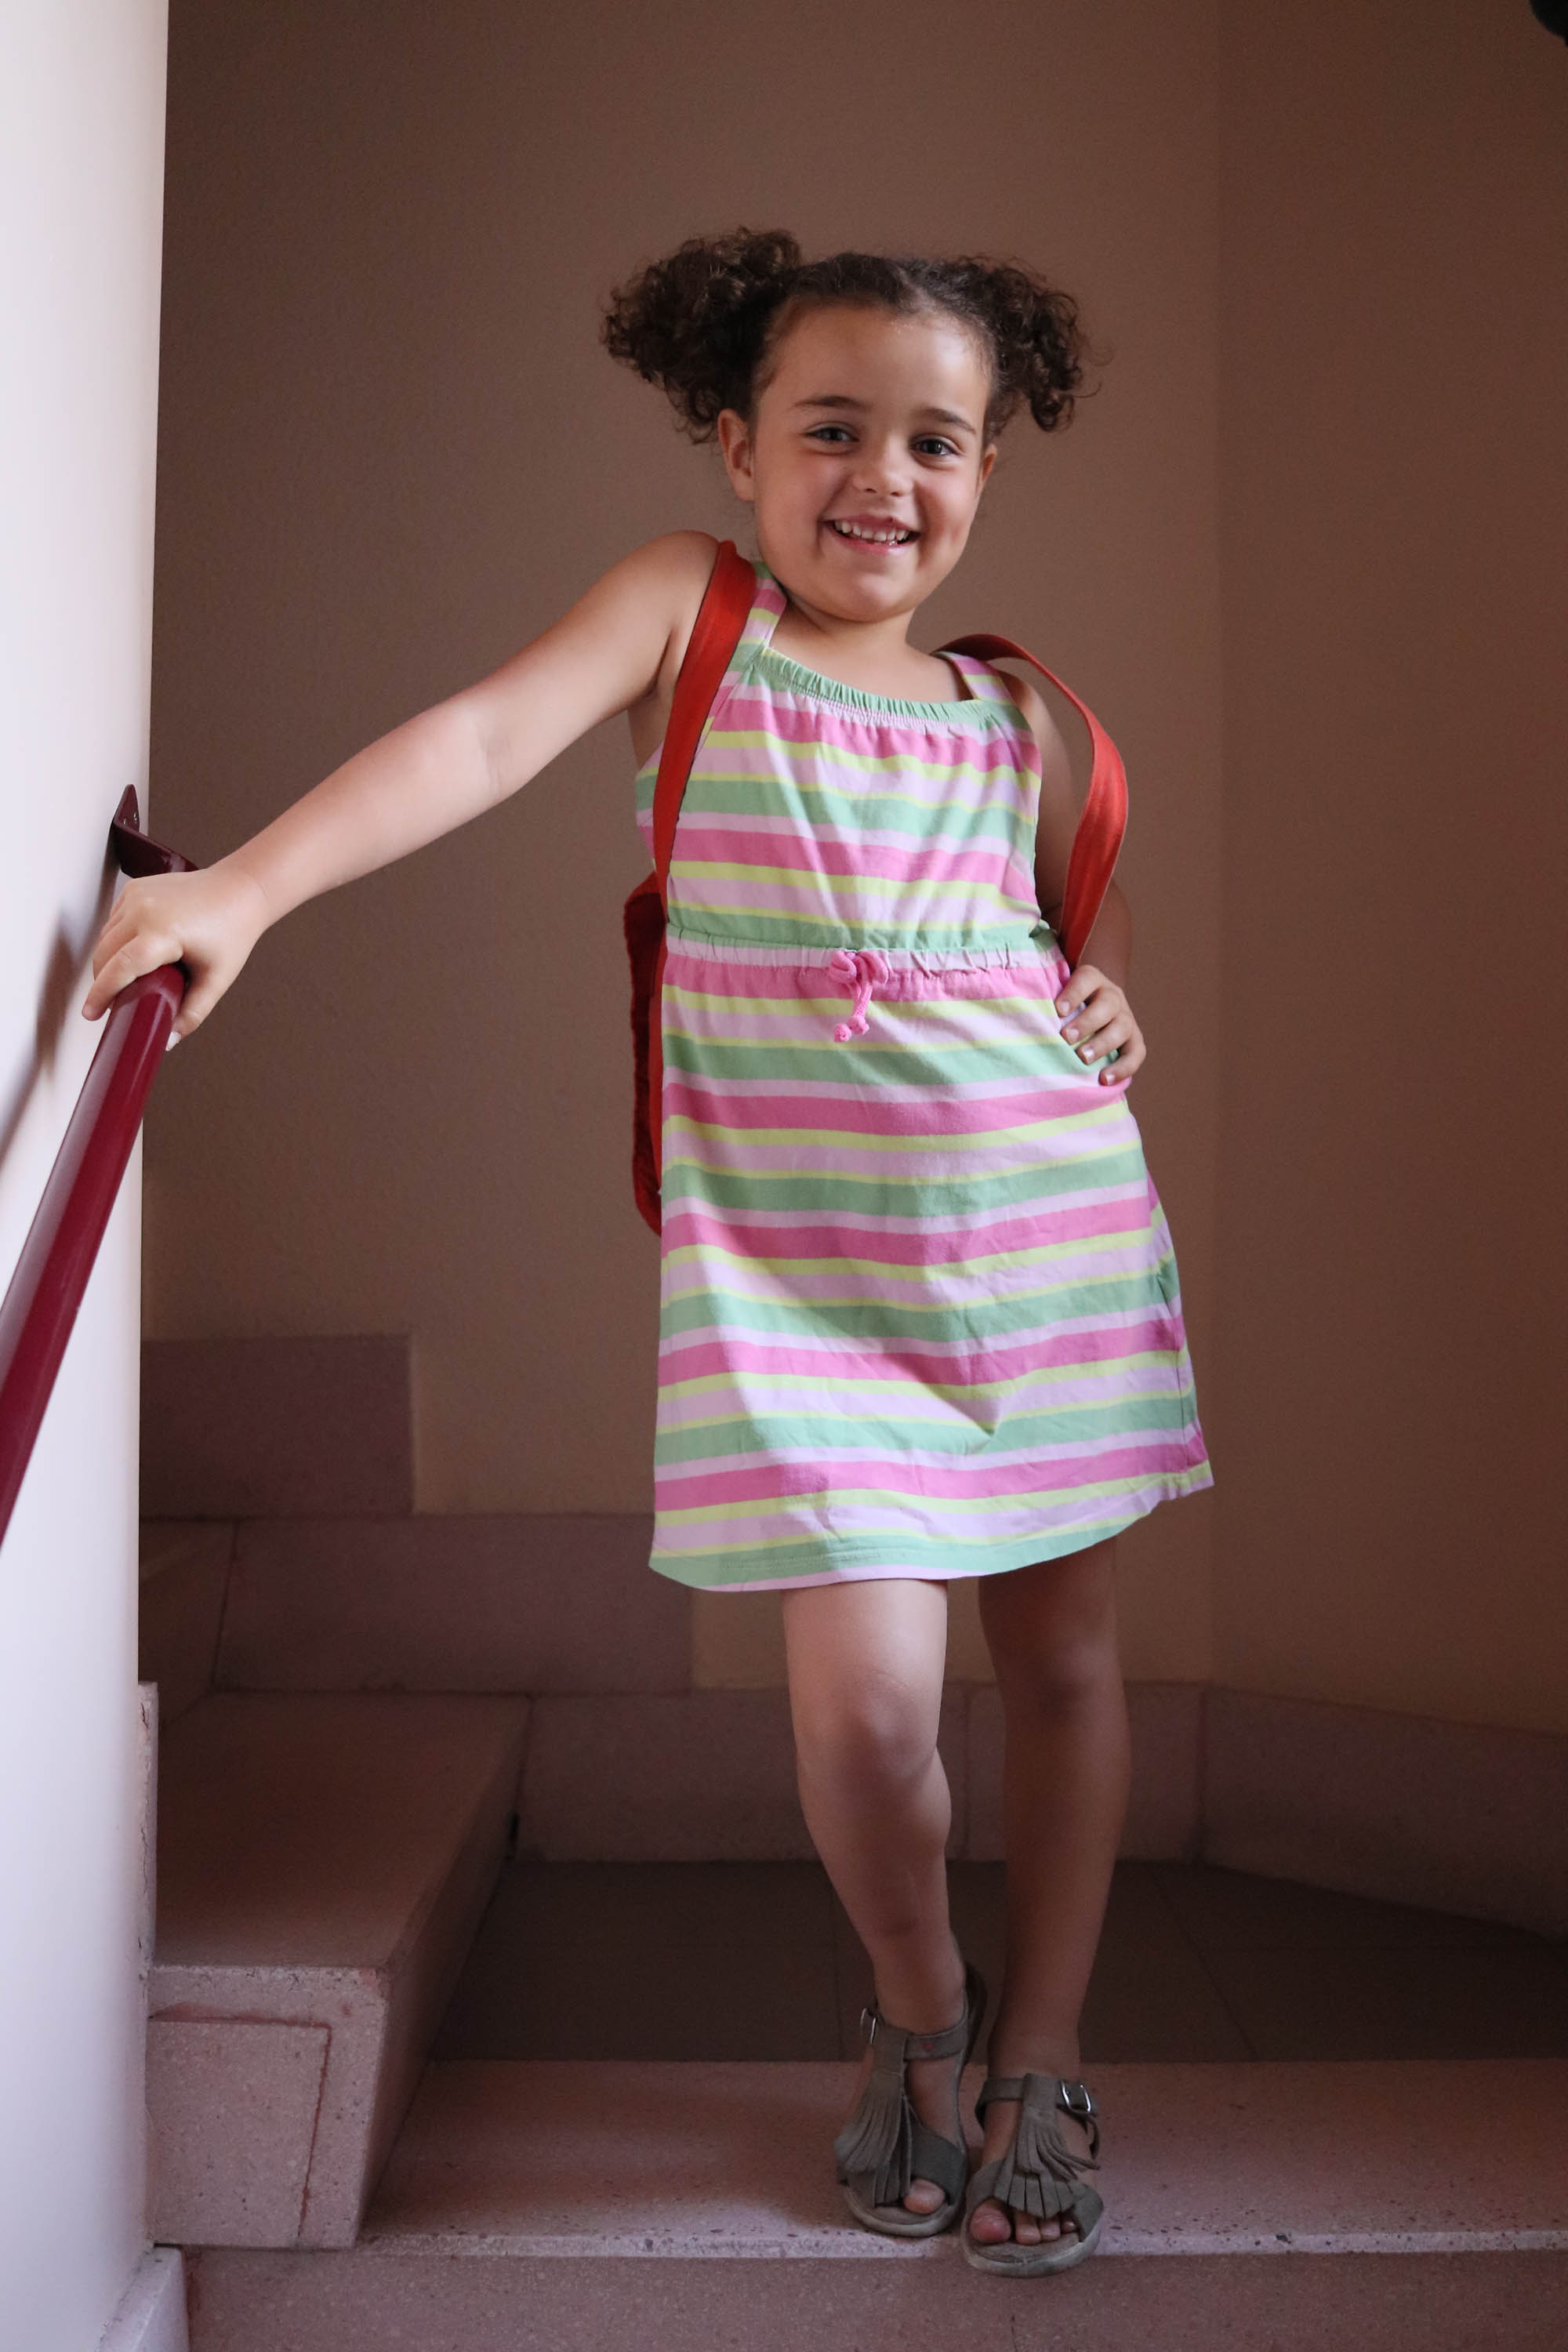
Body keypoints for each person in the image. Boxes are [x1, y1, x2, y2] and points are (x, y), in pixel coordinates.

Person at [86, 229, 1212, 2277]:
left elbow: (1080, 899)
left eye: (935, 440)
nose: (884, 475)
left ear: (987, 468)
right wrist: (242, 888)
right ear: (737, 442)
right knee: (871, 1718)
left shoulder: (1022, 707)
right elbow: (479, 740)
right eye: (832, 428)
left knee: (1061, 1665)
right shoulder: (694, 619)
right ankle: (922, 2003)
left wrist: (1109, 981)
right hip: (808, 1294)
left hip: (1044, 1242)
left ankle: (1044, 2053)